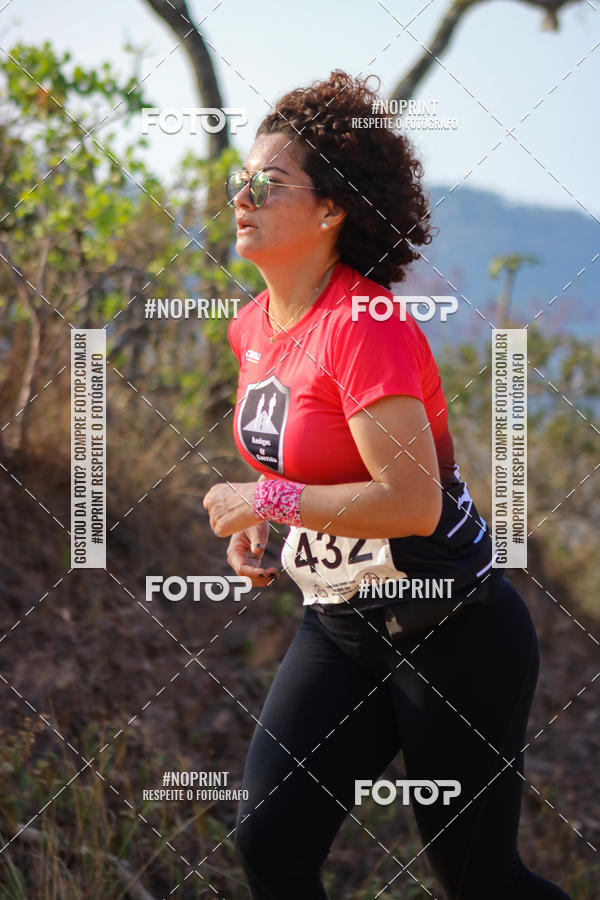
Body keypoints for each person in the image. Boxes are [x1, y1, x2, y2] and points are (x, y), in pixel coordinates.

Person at [203, 71, 571, 900]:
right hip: (340, 628)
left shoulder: (365, 326)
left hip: (454, 631)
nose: (242, 197)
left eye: (268, 182)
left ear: (331, 210)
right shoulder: (252, 325)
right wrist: (262, 518)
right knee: (270, 841)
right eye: (239, 179)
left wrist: (265, 500)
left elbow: (411, 502)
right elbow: (299, 452)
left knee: (479, 882)